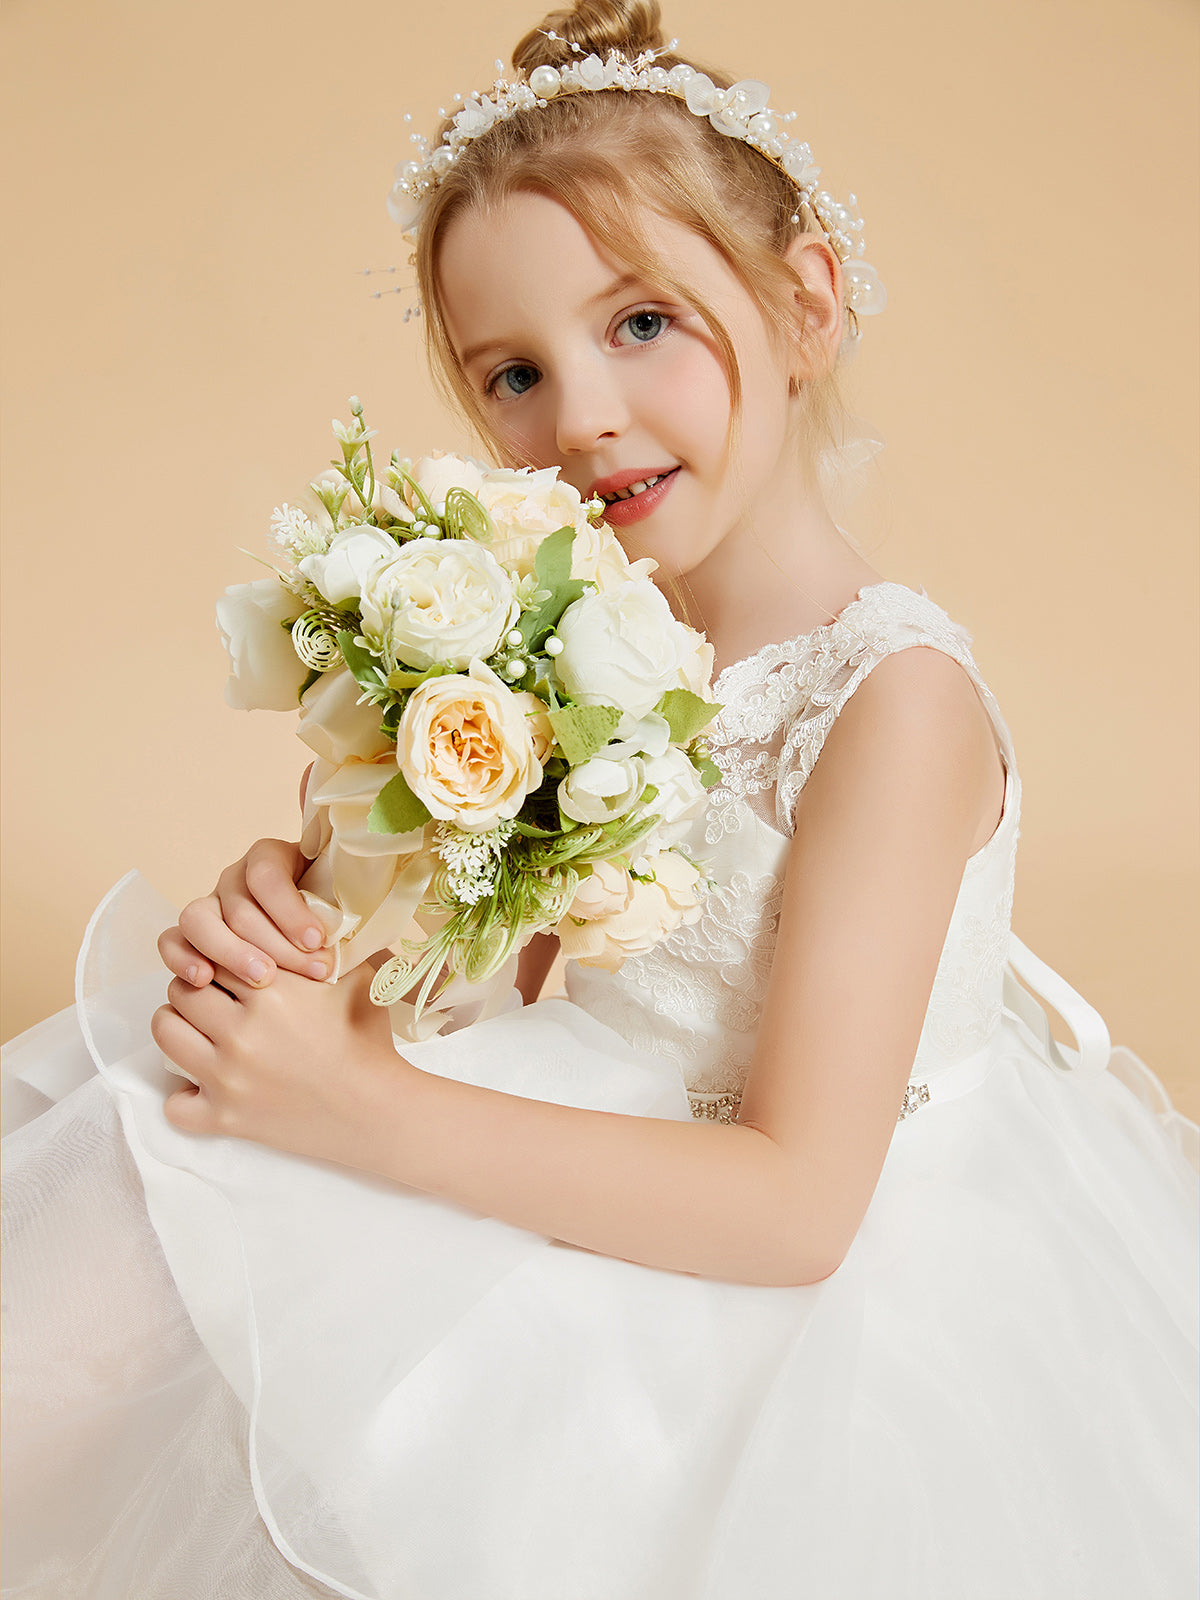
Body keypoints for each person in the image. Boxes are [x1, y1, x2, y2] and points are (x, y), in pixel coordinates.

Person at [3, 3, 1197, 1596]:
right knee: (164, 1125)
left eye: (642, 323)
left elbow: (799, 1210)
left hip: (776, 1238)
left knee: (249, 1185)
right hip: (582, 1113)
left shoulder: (891, 707)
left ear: (806, 302)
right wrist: (310, 917)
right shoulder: (576, 640)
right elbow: (499, 967)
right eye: (513, 372)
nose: (578, 418)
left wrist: (363, 1108)